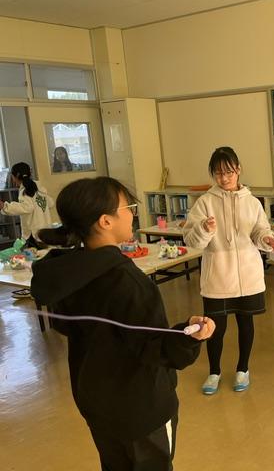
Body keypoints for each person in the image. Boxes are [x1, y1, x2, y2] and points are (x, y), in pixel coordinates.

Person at [30, 176, 214, 471]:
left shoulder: (68, 274)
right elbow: (158, 351)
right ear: (105, 221)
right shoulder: (129, 283)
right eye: (127, 208)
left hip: (98, 404)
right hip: (141, 410)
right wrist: (189, 335)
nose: (132, 213)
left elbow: (68, 327)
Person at [183, 146, 274, 395]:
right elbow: (191, 240)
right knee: (214, 328)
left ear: (238, 170)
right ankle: (213, 372)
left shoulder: (252, 202)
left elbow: (260, 231)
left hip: (248, 276)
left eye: (228, 172)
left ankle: (243, 369)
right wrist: (204, 229)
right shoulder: (205, 202)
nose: (224, 178)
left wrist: (267, 239)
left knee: (246, 324)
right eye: (218, 173)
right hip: (218, 278)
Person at [0, 162, 53, 248]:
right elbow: (50, 203)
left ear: (16, 176)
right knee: (46, 252)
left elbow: (27, 208)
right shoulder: (40, 189)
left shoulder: (25, 191)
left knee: (35, 253)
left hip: (34, 232)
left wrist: (5, 207)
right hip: (46, 228)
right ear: (30, 173)